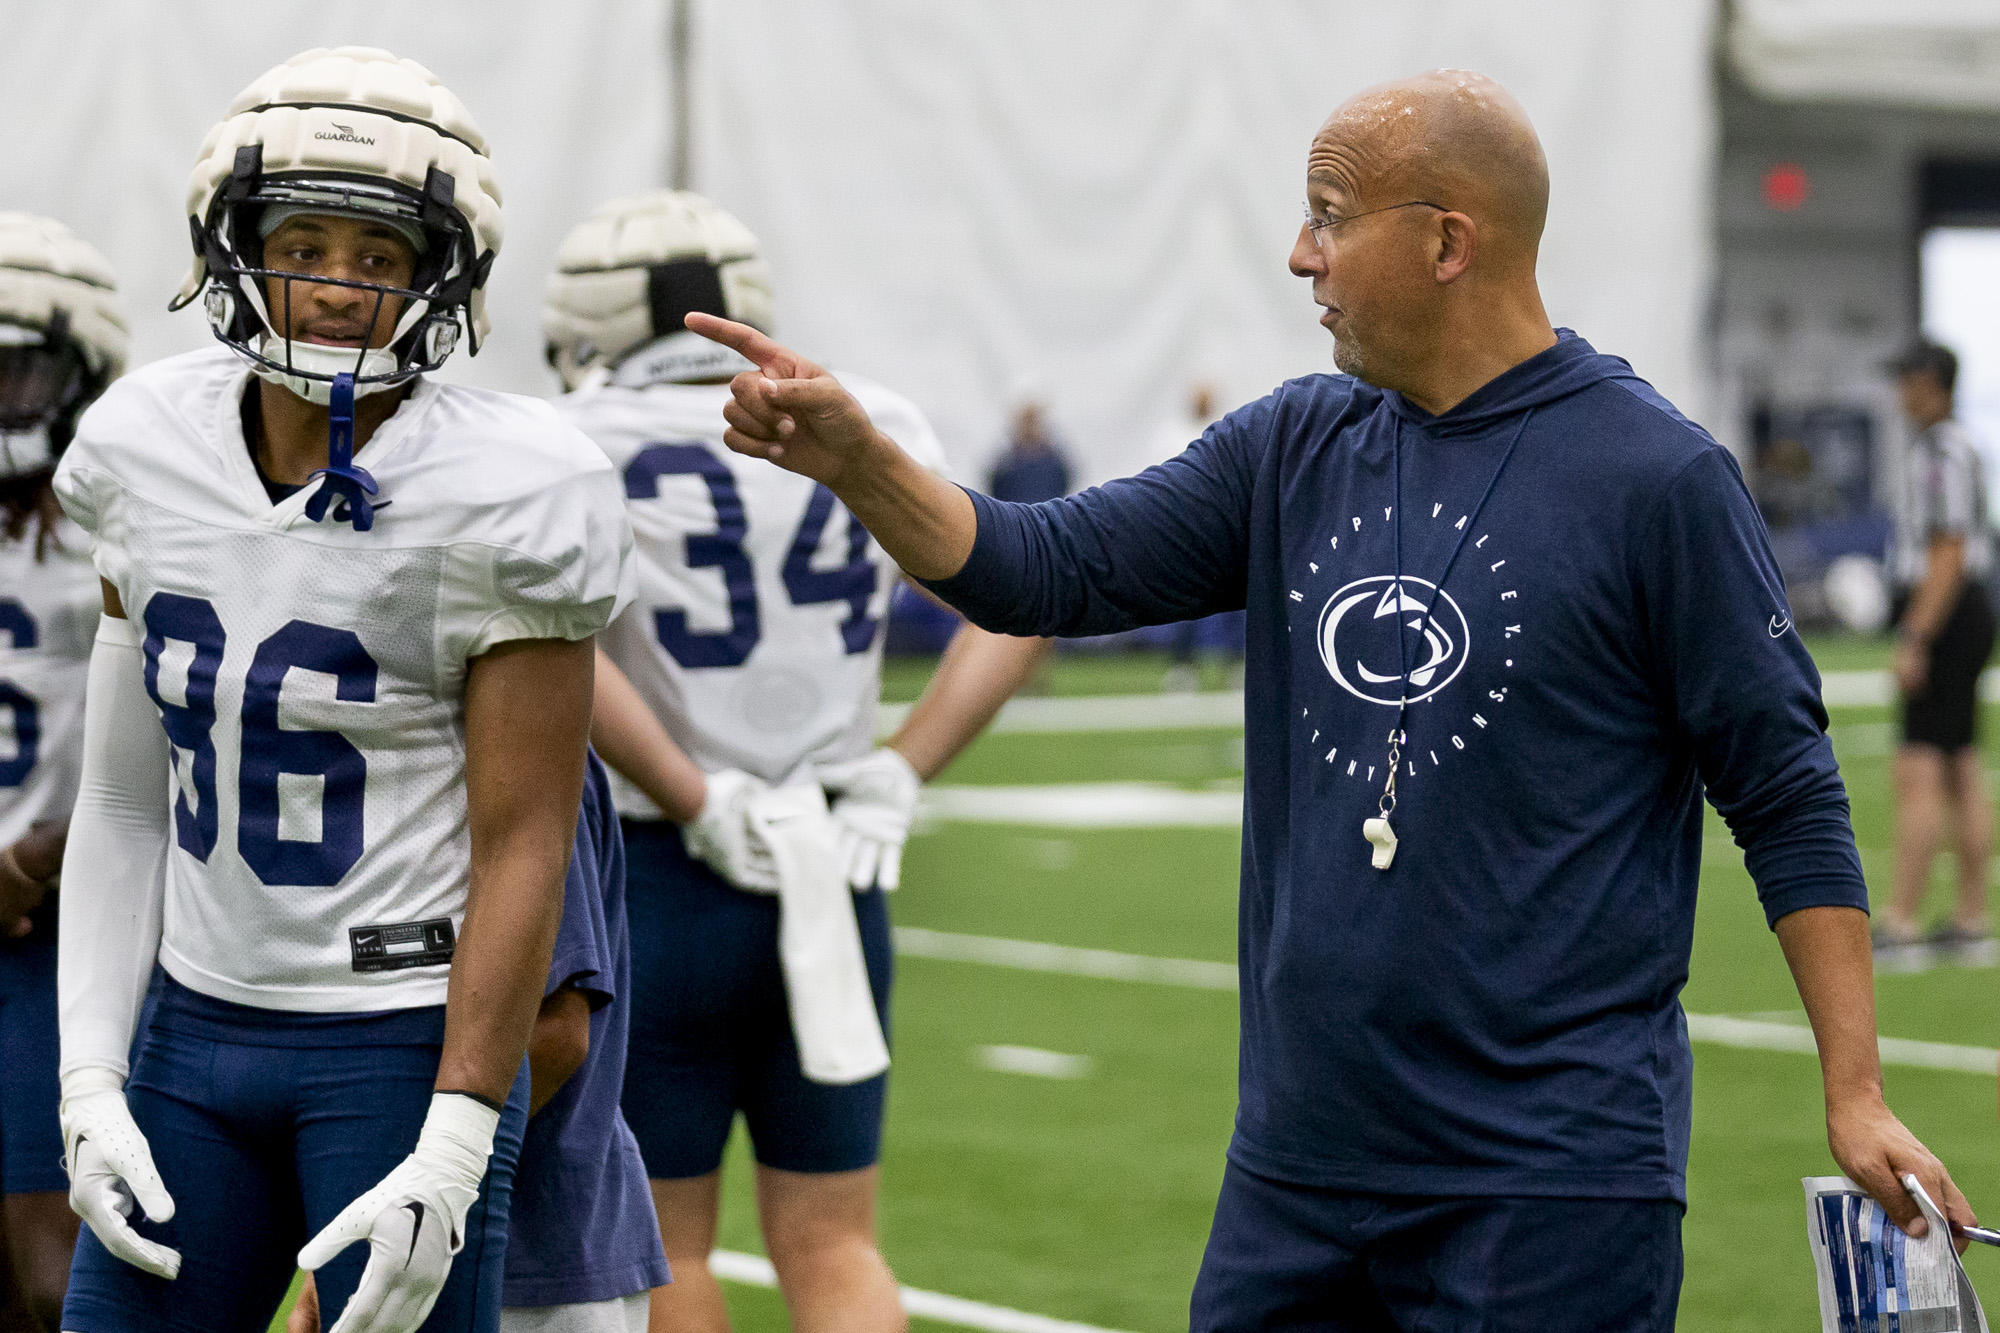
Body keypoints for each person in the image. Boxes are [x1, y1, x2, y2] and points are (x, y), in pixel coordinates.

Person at [686, 69, 1973, 1331]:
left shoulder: (1657, 477)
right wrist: (858, 461)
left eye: (1327, 214)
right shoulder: (1292, 443)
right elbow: (1041, 569)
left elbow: (1785, 792)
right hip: (1296, 1168)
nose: (1297, 254)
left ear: (1445, 242)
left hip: (1546, 1182)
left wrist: (1850, 1088)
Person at [52, 45, 631, 1333]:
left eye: (379, 258)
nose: (335, 286)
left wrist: (459, 1127)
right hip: (192, 1032)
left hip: (396, 1041)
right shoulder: (140, 448)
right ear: (234, 243)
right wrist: (90, 1076)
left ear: (439, 280)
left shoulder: (513, 488)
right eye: (304, 242)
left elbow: (524, 835)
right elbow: (123, 796)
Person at [542, 190, 1050, 1333]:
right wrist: (902, 766)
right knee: (836, 1239)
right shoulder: (865, 415)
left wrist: (690, 790)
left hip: (660, 872)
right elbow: (1018, 607)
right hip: (833, 863)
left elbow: (556, 651)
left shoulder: (572, 440)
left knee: (665, 1245)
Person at [289, 754, 669, 1333]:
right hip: (483, 1240)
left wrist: (403, 1194)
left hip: (529, 1255)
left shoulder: (513, 754)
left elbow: (555, 1031)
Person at [0, 213, 125, 1331]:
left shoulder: (115, 525)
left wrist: (41, 855)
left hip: (51, 936)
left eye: (16, 369)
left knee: (56, 1274)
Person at [1877, 339, 1996, 966]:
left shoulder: (1939, 453)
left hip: (1945, 610)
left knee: (1919, 766)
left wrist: (1917, 634)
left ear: (1931, 382)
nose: (1899, 392)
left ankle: (1901, 919)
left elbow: (1946, 551)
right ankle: (1971, 914)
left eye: (1906, 378)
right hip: (1967, 609)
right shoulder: (1962, 446)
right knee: (1960, 764)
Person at [985, 394, 1071, 504]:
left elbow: (1064, 485)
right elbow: (996, 491)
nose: (1030, 426)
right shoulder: (1006, 464)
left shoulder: (1054, 461)